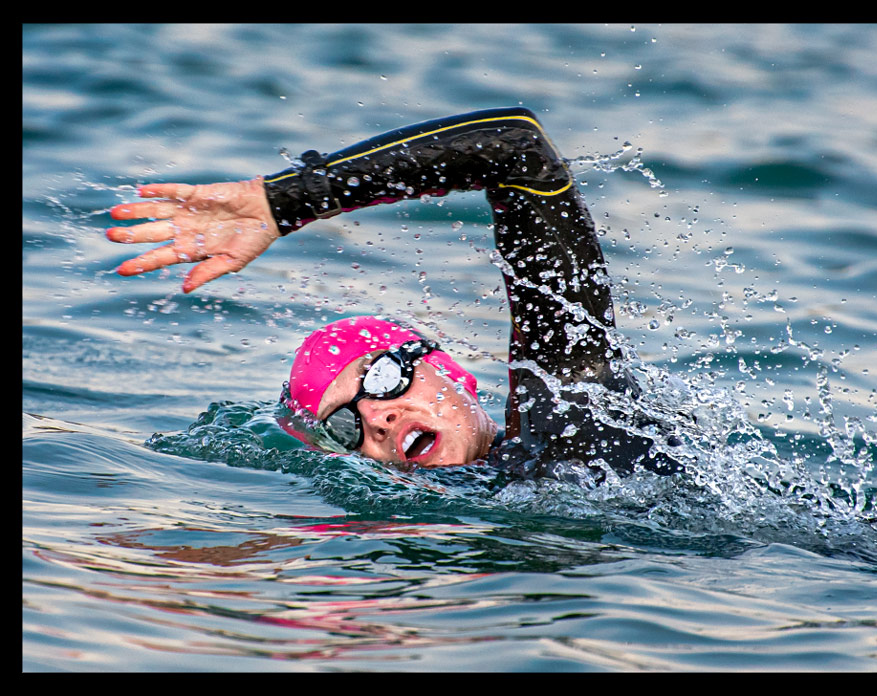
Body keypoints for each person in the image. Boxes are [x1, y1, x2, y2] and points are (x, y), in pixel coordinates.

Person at [107, 107, 692, 479]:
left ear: (450, 370)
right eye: (344, 427)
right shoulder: (443, 523)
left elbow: (517, 148)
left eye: (381, 379)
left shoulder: (574, 407)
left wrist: (288, 200)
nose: (378, 418)